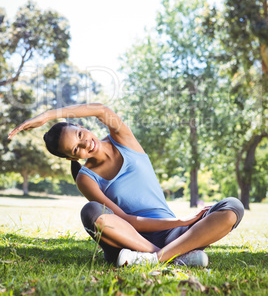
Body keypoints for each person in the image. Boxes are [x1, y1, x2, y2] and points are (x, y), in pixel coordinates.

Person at [8, 103, 244, 267]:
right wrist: (183, 221)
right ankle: (175, 255)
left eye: (80, 134)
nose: (85, 144)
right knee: (90, 211)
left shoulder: (122, 139)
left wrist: (49, 115)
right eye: (75, 149)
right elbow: (125, 220)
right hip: (129, 239)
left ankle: (159, 258)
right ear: (72, 158)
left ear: (83, 127)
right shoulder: (86, 178)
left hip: (173, 233)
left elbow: (101, 110)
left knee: (232, 207)